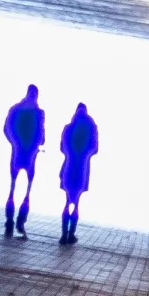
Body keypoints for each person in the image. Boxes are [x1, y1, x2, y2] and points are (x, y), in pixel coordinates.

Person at [3, 84, 45, 237]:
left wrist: (14, 142)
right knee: (27, 191)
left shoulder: (15, 109)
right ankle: (21, 222)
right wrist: (38, 145)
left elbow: (6, 128)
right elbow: (42, 134)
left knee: (12, 188)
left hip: (17, 151)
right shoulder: (39, 113)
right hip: (30, 154)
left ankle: (9, 222)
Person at [59, 103, 98, 245]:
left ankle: (63, 235)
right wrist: (84, 155)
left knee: (67, 200)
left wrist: (70, 154)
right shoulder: (91, 128)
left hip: (68, 165)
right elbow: (95, 148)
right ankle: (71, 234)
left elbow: (62, 147)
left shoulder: (68, 128)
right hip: (82, 168)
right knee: (76, 203)